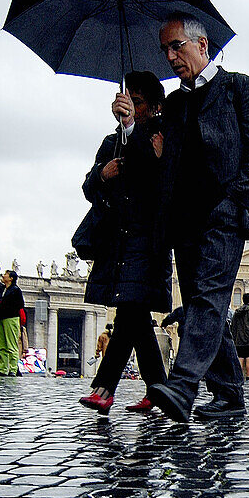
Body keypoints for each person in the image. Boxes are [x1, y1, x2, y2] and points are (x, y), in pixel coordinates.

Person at [121, 12, 249, 421]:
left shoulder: (240, 89)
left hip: (225, 215)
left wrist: (232, 201)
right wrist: (128, 124)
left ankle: (183, 384)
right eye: (165, 50)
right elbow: (148, 163)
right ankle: (228, 394)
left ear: (202, 45)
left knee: (208, 297)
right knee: (197, 305)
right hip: (183, 222)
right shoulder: (173, 104)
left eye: (177, 46)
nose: (171, 56)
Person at [78, 70, 172, 415]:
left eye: (138, 100)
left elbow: (159, 179)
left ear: (154, 106)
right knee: (134, 314)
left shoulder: (162, 137)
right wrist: (102, 175)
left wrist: (132, 129)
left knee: (130, 310)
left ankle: (105, 388)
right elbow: (89, 188)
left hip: (148, 241)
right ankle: (159, 390)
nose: (130, 104)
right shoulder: (110, 141)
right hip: (116, 241)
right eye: (127, 98)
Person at [0, 269, 24, 376]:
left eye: (6, 274)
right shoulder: (1, 289)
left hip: (11, 318)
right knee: (1, 345)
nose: (3, 275)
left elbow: (20, 304)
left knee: (11, 345)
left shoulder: (16, 290)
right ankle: (3, 369)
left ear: (11, 278)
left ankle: (13, 369)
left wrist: (7, 308)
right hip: (0, 318)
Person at [230, 293, 249, 383]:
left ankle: (239, 376)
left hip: (238, 337)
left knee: (240, 357)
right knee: (248, 357)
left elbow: (233, 325)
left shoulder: (237, 311)